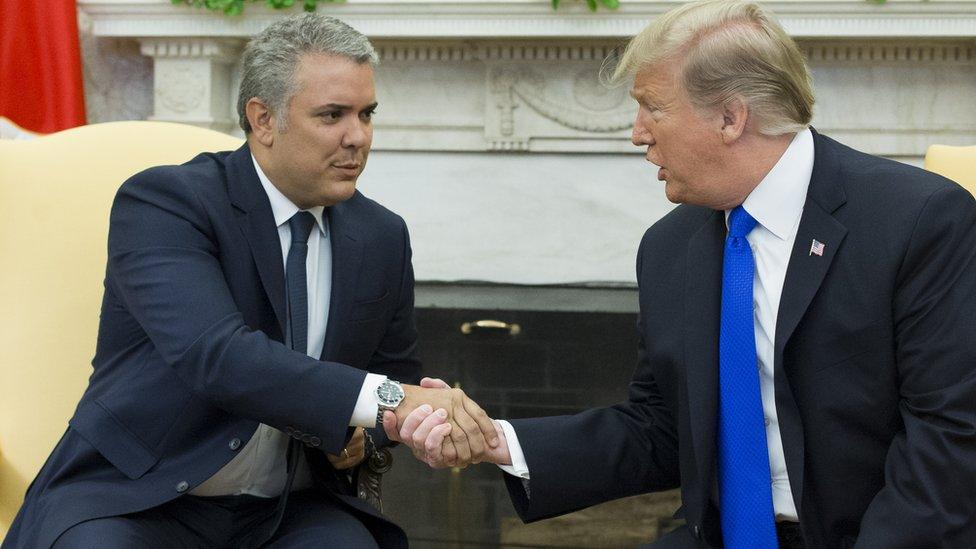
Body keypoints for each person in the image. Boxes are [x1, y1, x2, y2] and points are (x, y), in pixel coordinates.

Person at [387, 1, 976, 547]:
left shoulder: (919, 221)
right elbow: (661, 428)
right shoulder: (670, 247)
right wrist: (499, 443)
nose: (638, 132)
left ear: (729, 117)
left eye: (653, 107)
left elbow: (949, 444)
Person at [4, 13, 496, 549]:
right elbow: (216, 356)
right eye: (332, 115)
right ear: (263, 119)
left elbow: (391, 377)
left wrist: (370, 433)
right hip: (138, 498)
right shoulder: (167, 203)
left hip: (289, 509)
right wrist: (385, 399)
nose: (357, 137)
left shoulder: (381, 235)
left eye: (366, 113)